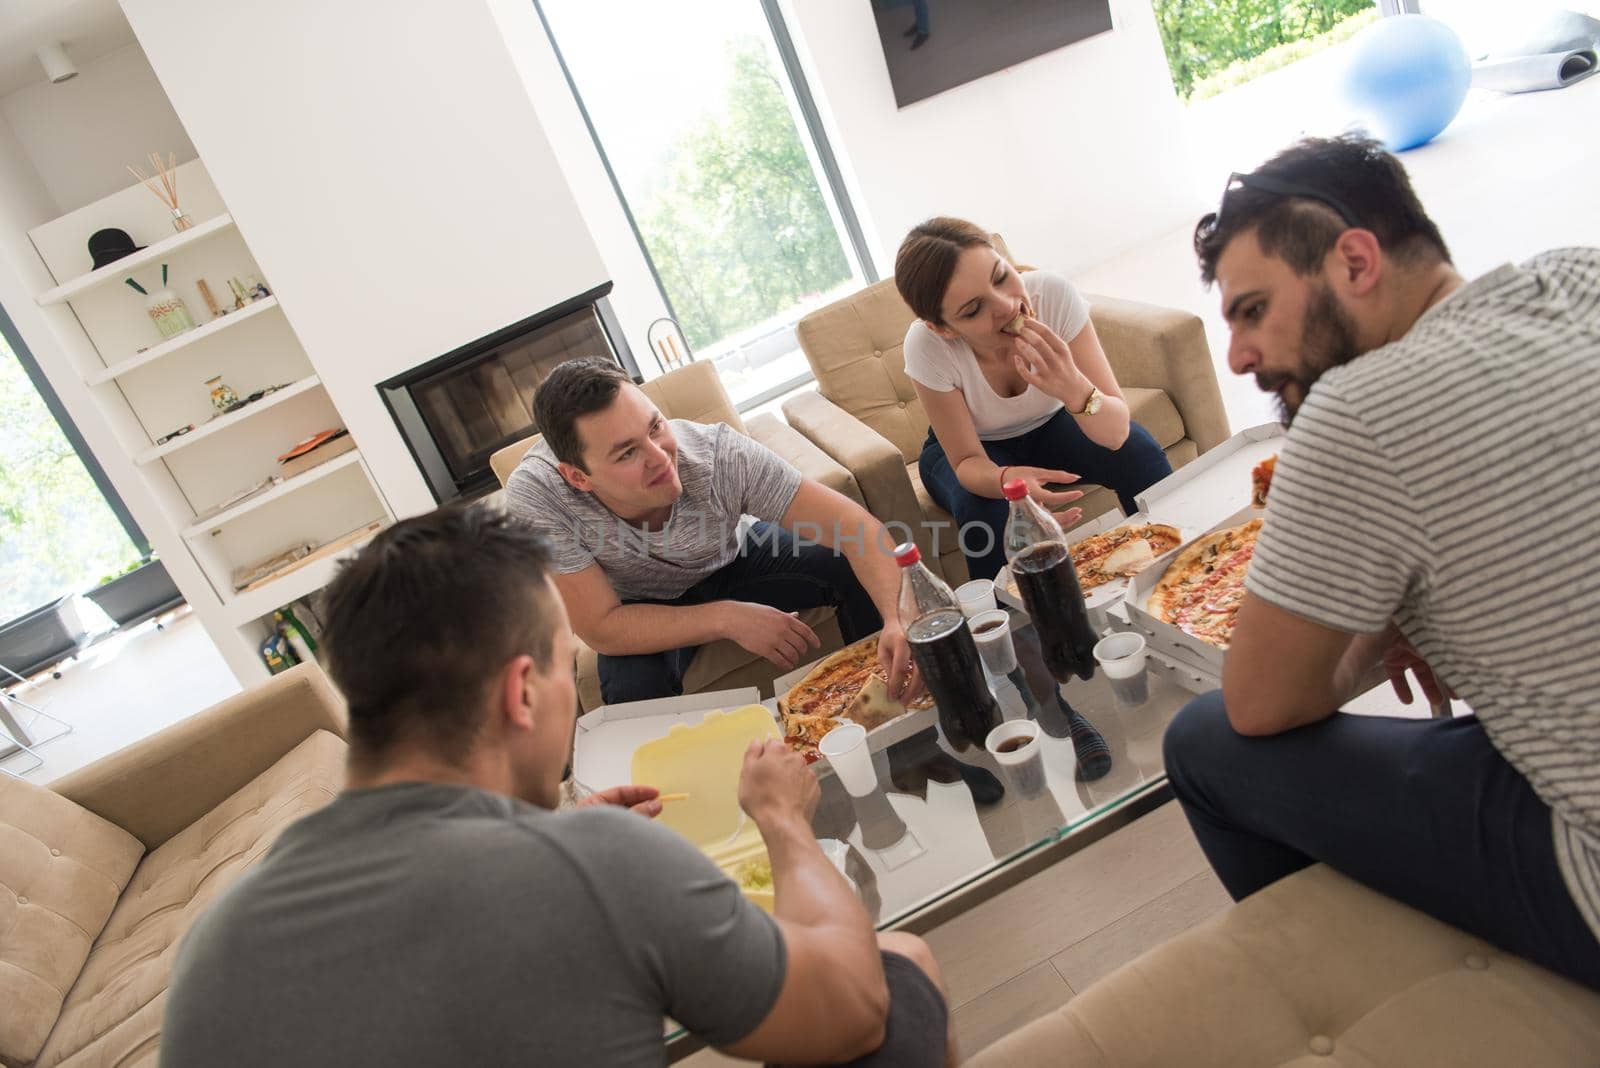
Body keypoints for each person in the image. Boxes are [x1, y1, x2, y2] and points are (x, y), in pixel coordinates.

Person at [161, 505, 955, 1067]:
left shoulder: (213, 939)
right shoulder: (593, 864)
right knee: (899, 966)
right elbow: (851, 1012)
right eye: (561, 660)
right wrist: (782, 820)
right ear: (523, 693)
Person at [1163, 134, 1600, 991]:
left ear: (1354, 260)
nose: (1238, 357)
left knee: (1205, 740)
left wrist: (1367, 635)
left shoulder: (1357, 411)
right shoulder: (1580, 274)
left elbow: (1260, 705)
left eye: (1252, 310)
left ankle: (1360, 995)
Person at [505, 357, 920, 706]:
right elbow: (601, 627)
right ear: (578, 477)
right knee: (631, 689)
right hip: (636, 600)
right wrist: (726, 618)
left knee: (847, 564)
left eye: (655, 428)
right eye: (628, 452)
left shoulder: (720, 456)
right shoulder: (537, 498)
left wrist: (897, 618)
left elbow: (856, 530)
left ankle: (892, 715)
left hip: (733, 553)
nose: (661, 458)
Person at [895, 218, 1173, 580]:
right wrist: (1008, 482)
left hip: (1053, 422)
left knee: (1137, 450)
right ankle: (1017, 624)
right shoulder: (927, 346)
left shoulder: (1052, 295)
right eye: (973, 309)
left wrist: (1072, 386)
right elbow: (966, 461)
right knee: (983, 510)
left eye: (1000, 276)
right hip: (974, 450)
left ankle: (1182, 560)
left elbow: (1117, 432)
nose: (1007, 305)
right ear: (943, 327)